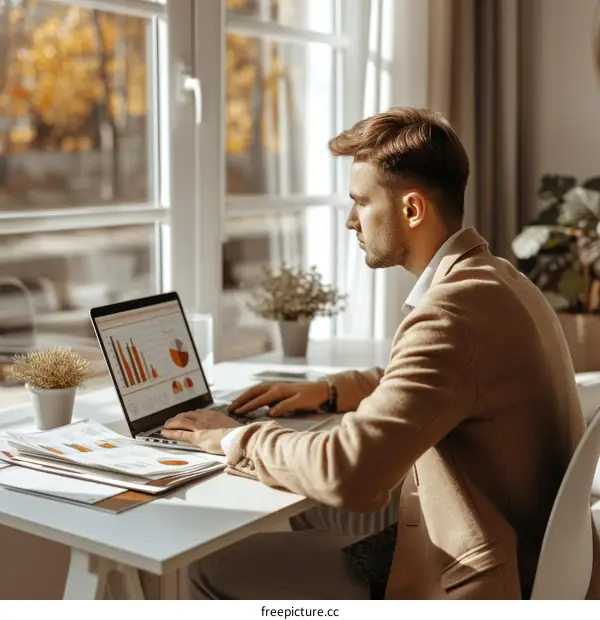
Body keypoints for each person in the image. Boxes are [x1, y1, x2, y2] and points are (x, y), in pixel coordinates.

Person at [163, 107, 598, 600]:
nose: (351, 221)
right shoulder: (500, 280)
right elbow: (436, 378)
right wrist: (329, 391)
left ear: (412, 210)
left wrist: (234, 440)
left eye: (360, 202)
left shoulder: (451, 312)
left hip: (479, 579)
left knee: (209, 569)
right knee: (305, 511)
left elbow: (350, 473)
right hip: (527, 558)